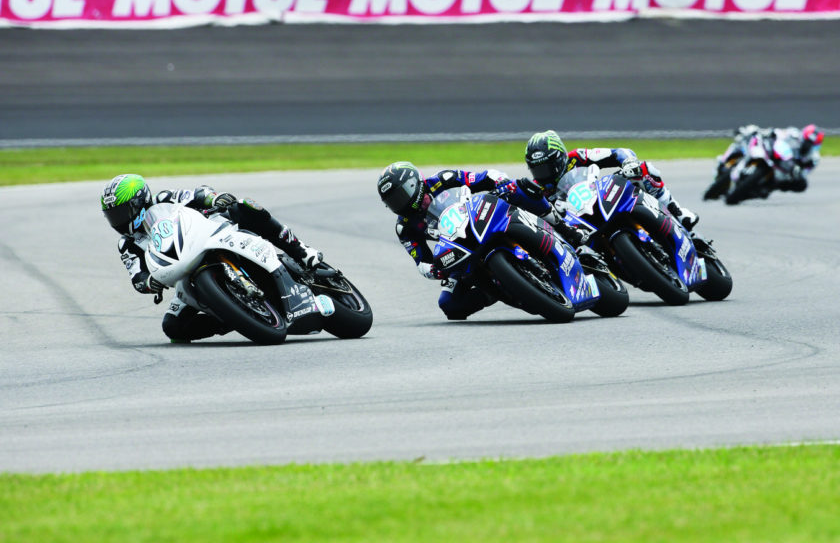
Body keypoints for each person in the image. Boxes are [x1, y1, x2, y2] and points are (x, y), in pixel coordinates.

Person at [100, 173, 326, 342]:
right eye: (112, 216)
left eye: (121, 212)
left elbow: (197, 194)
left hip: (213, 233)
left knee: (245, 207)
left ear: (139, 202)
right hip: (183, 272)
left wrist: (214, 199)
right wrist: (149, 282)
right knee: (173, 328)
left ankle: (301, 251)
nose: (117, 221)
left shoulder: (164, 199)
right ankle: (231, 316)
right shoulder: (127, 245)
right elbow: (136, 275)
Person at [376, 161, 585, 321]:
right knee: (449, 305)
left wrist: (501, 184)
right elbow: (420, 260)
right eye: (392, 202)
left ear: (414, 184)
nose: (399, 204)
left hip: (482, 218)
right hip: (459, 249)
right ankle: (496, 291)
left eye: (400, 195)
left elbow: (484, 177)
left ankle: (564, 228)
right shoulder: (404, 228)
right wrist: (434, 270)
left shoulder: (443, 179)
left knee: (522, 188)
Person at [523, 129, 700, 230]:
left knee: (644, 170)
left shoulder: (577, 157)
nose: (543, 173)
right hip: (582, 225)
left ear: (559, 157)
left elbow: (618, 152)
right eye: (537, 169)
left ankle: (677, 211)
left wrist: (629, 163)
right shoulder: (537, 191)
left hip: (603, 199)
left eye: (546, 166)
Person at [768, 124, 824, 192]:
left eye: (810, 143)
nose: (807, 145)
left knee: (802, 185)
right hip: (778, 154)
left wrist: (799, 172)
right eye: (807, 141)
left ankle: (773, 186)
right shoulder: (793, 133)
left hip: (788, 169)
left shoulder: (814, 157)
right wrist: (771, 133)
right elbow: (778, 132)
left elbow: (806, 172)